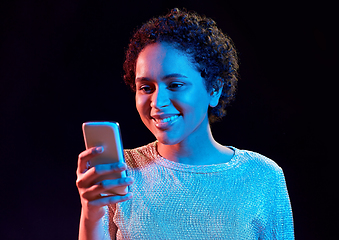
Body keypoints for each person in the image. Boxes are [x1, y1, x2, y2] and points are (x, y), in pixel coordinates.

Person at [76, 8, 294, 240]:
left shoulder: (262, 177)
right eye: (146, 88)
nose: (157, 102)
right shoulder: (121, 172)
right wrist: (92, 214)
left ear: (214, 90)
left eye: (175, 85)